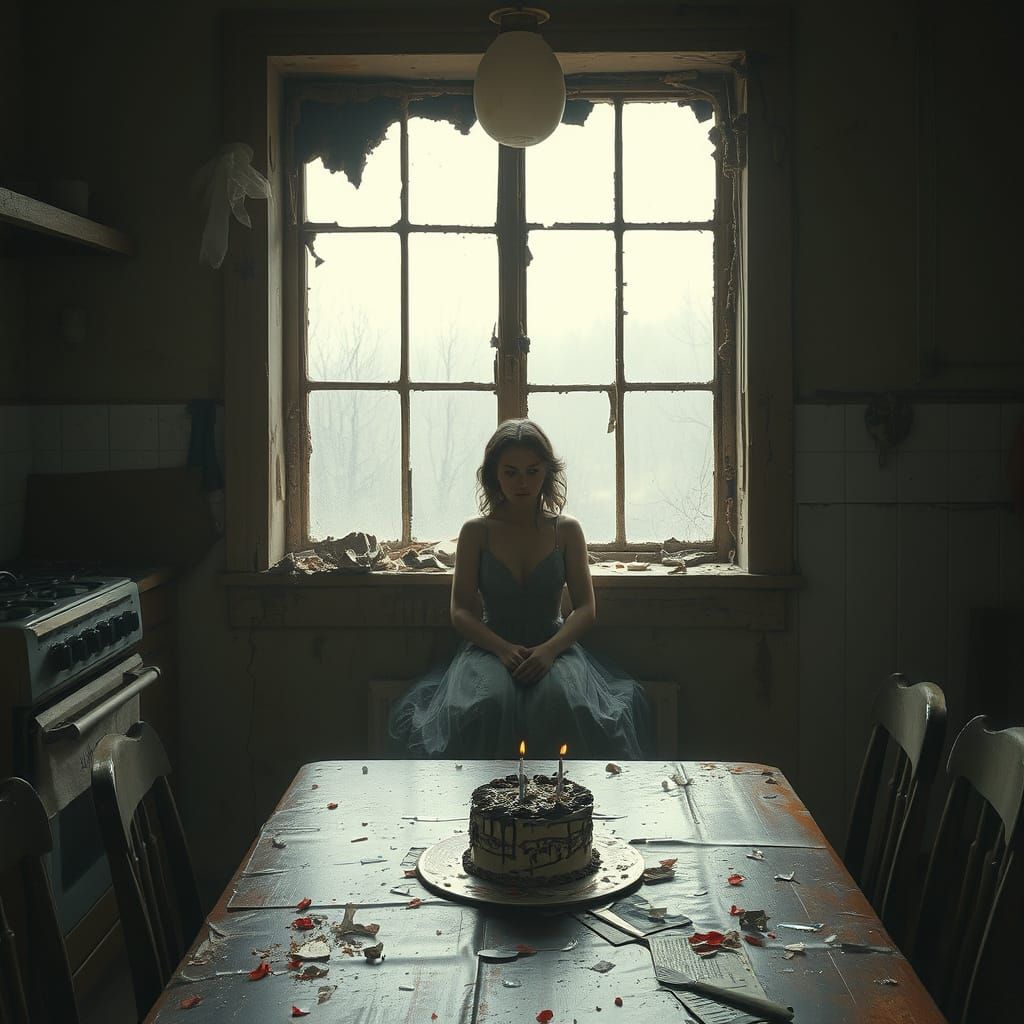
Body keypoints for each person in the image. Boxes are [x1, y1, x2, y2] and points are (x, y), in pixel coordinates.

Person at [388, 418, 653, 760]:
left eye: (532, 471)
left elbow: (586, 609)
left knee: (560, 703)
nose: (523, 482)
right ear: (494, 475)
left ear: (547, 472)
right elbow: (460, 611)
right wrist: (501, 649)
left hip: (554, 646)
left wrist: (549, 651)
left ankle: (556, 807)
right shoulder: (476, 532)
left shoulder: (567, 530)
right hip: (490, 647)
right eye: (511, 472)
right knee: (489, 704)